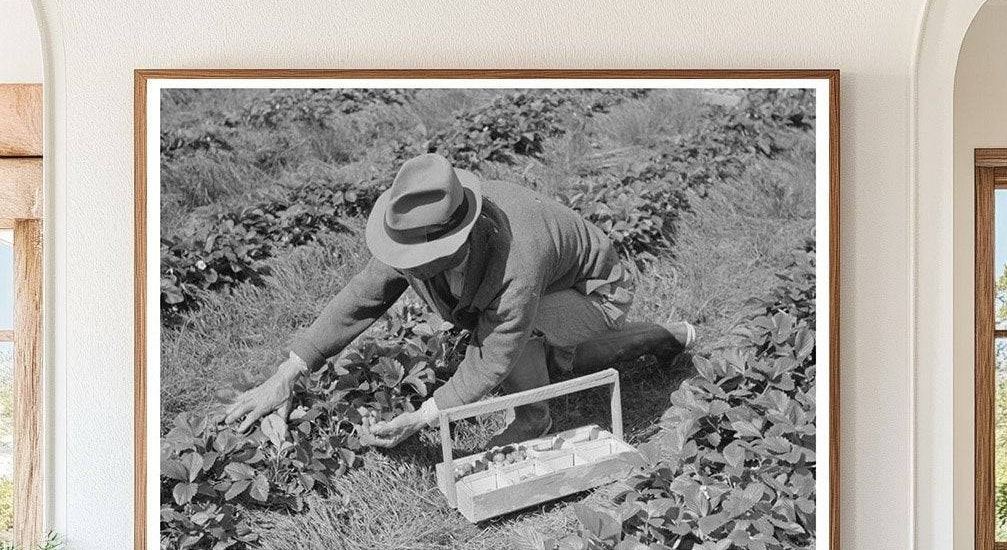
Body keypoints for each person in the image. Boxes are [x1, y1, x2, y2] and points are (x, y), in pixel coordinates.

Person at [225, 153, 695, 448]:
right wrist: (286, 375)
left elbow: (494, 353)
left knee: (521, 340)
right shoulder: (418, 226)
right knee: (552, 364)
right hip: (550, 288)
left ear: (457, 242)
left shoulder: (517, 257)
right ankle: (666, 336)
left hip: (596, 289)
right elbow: (361, 299)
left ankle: (534, 417)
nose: (408, 268)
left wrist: (427, 415)